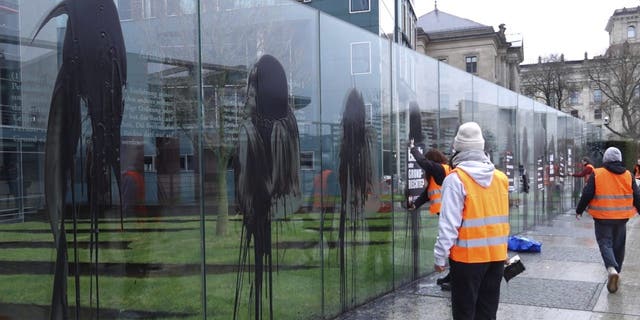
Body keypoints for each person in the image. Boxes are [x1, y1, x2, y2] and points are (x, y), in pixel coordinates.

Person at [434, 122, 509, 320]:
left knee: (464, 313)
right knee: (487, 313)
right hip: (496, 258)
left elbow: (448, 225)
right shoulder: (500, 178)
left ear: (457, 147)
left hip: (467, 260)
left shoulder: (456, 179)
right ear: (482, 148)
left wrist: (440, 256)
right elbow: (501, 219)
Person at [575, 147, 640, 293]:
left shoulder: (598, 174)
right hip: (622, 218)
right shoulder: (629, 175)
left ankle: (611, 270)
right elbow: (637, 196)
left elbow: (587, 193)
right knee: (619, 246)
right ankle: (617, 270)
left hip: (602, 217)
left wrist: (579, 210)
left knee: (605, 243)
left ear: (605, 159)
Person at [408, 147, 452, 290]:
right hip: (446, 213)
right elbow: (427, 194)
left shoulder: (441, 169)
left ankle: (455, 280)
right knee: (452, 246)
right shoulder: (437, 175)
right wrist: (415, 205)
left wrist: (413, 149)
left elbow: (423, 162)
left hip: (450, 214)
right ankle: (452, 276)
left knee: (453, 247)